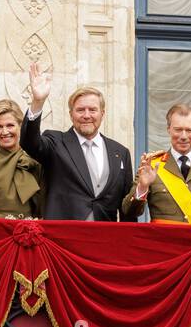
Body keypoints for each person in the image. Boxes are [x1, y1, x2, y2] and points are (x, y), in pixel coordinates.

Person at [19, 62, 134, 222]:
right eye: (80, 110)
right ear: (71, 114)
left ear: (102, 113)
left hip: (104, 239)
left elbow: (126, 209)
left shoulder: (120, 152)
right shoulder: (55, 142)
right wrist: (38, 102)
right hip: (63, 236)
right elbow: (29, 142)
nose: (86, 115)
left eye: (92, 110)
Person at [123, 102, 191, 227]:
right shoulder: (151, 166)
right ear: (168, 129)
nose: (184, 136)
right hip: (164, 243)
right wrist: (142, 187)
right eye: (178, 130)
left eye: (189, 130)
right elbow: (128, 212)